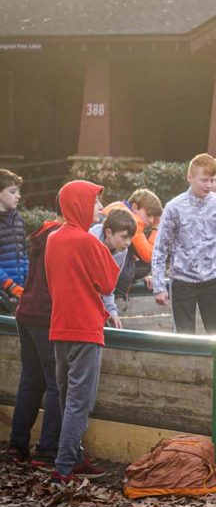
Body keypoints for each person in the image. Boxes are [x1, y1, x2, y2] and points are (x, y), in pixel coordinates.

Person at [45, 180, 120, 483]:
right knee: (79, 400)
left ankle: (74, 457)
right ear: (79, 204)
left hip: (60, 327)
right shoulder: (88, 241)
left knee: (66, 396)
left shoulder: (53, 239)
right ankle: (64, 468)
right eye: (96, 202)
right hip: (86, 329)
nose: (101, 208)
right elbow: (108, 283)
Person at [151, 154, 216, 335]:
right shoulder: (174, 207)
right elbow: (160, 249)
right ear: (190, 177)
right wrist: (159, 286)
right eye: (204, 180)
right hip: (183, 281)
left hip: (214, 279)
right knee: (184, 338)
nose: (209, 185)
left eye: (212, 180)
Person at [5, 200, 63, 467]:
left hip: (26, 312)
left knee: (31, 378)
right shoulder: (62, 237)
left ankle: (17, 446)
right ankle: (47, 450)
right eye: (95, 202)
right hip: (43, 315)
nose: (99, 207)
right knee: (56, 383)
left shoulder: (44, 233)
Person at [101, 188, 163, 287]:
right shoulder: (134, 220)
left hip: (103, 265)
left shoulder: (116, 206)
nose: (151, 220)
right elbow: (149, 256)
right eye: (148, 215)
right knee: (149, 265)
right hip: (112, 274)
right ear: (134, 207)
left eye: (154, 217)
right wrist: (156, 228)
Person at [89, 210, 136, 329]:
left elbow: (110, 284)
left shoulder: (121, 251)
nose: (128, 243)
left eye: (130, 238)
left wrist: (111, 311)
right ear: (109, 232)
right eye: (124, 237)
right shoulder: (90, 240)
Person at [0, 168, 27, 313]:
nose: (18, 196)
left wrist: (28, 280)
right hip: (3, 292)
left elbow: (24, 253)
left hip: (20, 291)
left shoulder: (18, 220)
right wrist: (10, 286)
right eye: (12, 192)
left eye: (18, 192)